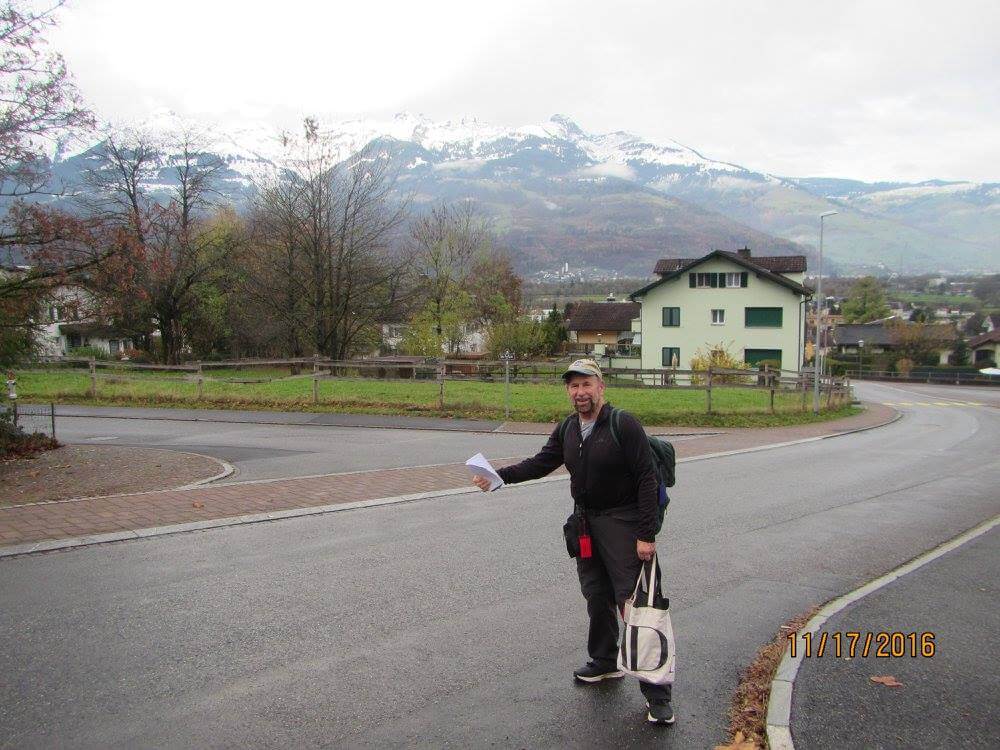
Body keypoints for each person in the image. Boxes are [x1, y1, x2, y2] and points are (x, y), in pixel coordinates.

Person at [472, 358, 674, 725]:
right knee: (596, 594)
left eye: (586, 384)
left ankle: (657, 692)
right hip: (586, 522)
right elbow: (541, 463)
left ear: (601, 387)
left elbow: (647, 478)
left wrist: (646, 534)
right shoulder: (568, 428)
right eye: (574, 386)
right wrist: (498, 476)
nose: (580, 392)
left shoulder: (623, 424)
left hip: (624, 521)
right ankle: (605, 661)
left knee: (636, 604)